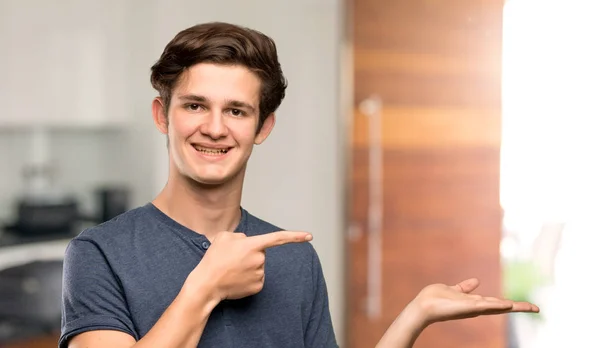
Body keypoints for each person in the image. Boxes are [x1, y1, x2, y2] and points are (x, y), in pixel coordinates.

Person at [59, 22, 538, 348]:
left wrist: (413, 317)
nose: (214, 128)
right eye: (195, 105)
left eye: (237, 111)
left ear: (263, 127)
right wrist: (206, 284)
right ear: (163, 115)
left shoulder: (293, 258)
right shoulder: (99, 253)